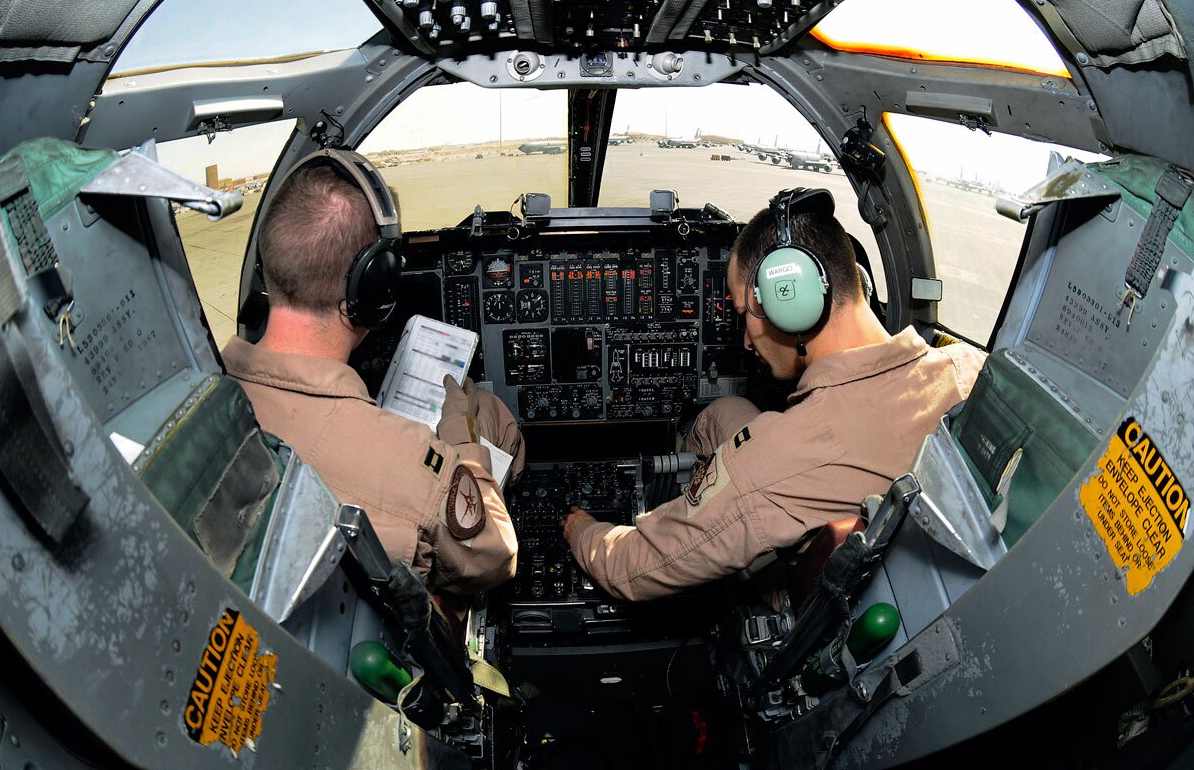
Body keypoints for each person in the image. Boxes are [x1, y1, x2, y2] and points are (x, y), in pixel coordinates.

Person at [562, 188, 985, 601]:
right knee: (723, 412)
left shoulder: (780, 456)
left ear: (790, 299)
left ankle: (693, 512)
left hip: (801, 585)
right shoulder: (968, 368)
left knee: (725, 485)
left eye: (745, 315)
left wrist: (580, 528)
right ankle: (695, 500)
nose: (745, 340)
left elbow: (630, 568)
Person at [221, 150, 525, 594]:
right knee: (489, 413)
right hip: (411, 637)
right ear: (373, 287)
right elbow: (498, 555)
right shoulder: (408, 462)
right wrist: (458, 434)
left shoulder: (207, 393)